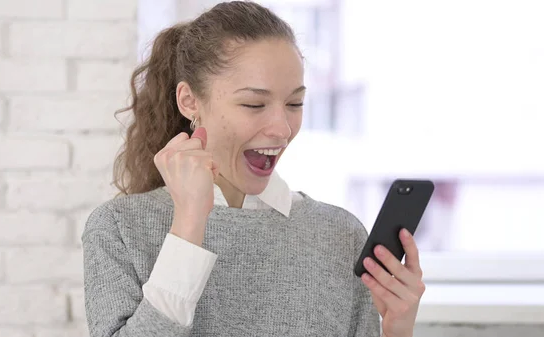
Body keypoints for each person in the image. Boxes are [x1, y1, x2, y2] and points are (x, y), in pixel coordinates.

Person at [82, 1, 426, 336]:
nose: (282, 128)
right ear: (189, 101)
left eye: (295, 103)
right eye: (254, 104)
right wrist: (189, 224)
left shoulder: (340, 235)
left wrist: (397, 331)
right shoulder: (119, 229)